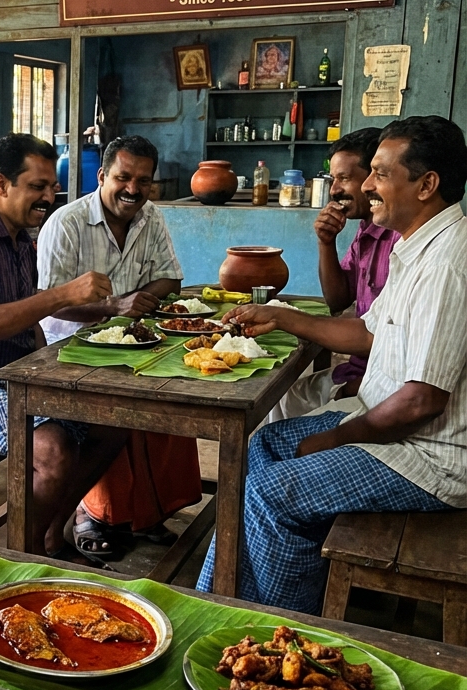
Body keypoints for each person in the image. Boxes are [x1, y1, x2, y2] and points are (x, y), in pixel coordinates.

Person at [197, 115, 467, 614]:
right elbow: (366, 330)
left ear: (427, 185)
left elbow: (421, 401)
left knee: (269, 493)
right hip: (389, 427)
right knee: (260, 447)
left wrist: (334, 439)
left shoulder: (449, 264)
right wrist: (282, 316)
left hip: (428, 459)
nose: (366, 186)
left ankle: (280, 635)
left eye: (380, 174)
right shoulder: (415, 247)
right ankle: (221, 602)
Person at [0, 132, 126, 557]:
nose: (49, 196)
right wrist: (63, 294)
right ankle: (21, 555)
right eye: (37, 187)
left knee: (113, 422)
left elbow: (28, 311)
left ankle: (49, 531)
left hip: (10, 376)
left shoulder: (19, 239)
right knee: (52, 450)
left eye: (51, 187)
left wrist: (111, 309)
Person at [37, 135, 202, 558]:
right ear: (102, 176)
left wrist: (137, 303)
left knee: (174, 403)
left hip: (128, 341)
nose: (133, 189)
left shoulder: (151, 219)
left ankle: (145, 515)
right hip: (65, 347)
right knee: (116, 410)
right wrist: (111, 306)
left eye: (143, 181)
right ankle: (93, 514)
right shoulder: (66, 223)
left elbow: (171, 279)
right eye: (123, 178)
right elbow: (49, 299)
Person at [270, 128, 398, 420]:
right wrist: (326, 243)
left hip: (378, 381)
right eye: (333, 179)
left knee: (286, 403)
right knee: (281, 395)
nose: (334, 190)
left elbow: (383, 340)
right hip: (356, 369)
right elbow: (338, 300)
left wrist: (282, 318)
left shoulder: (398, 239)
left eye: (344, 178)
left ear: (371, 181)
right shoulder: (366, 229)